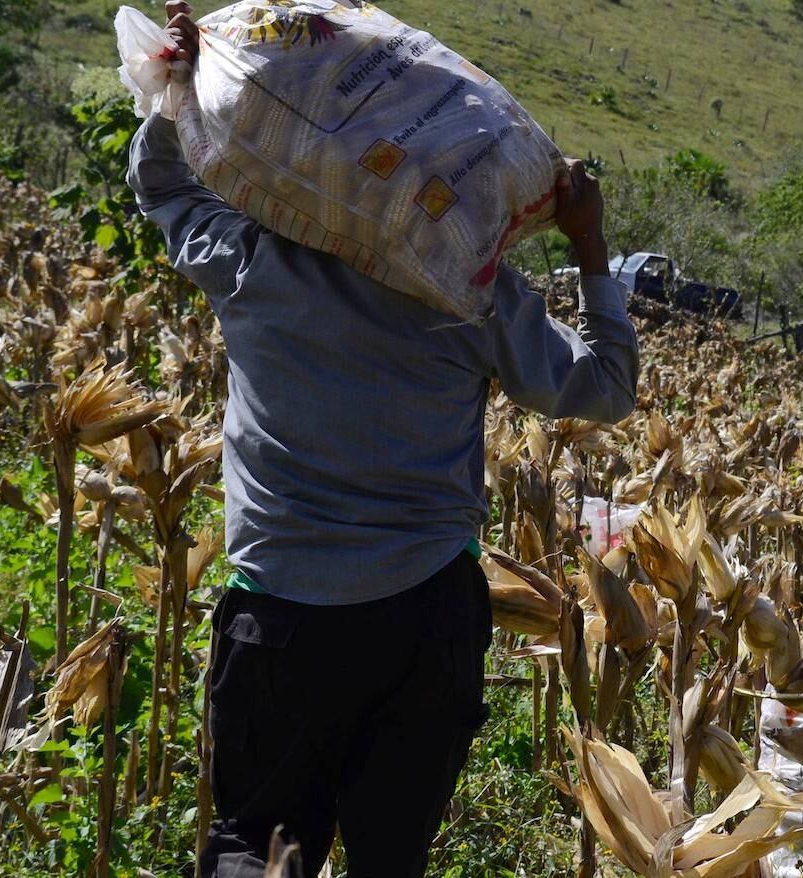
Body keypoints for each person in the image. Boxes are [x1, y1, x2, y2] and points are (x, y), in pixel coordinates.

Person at [128, 5, 639, 876]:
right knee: (389, 859)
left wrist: (175, 86)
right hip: (426, 622)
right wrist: (590, 248)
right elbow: (603, 390)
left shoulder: (252, 265)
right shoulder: (470, 296)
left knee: (253, 843)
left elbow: (166, 190)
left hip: (281, 618)